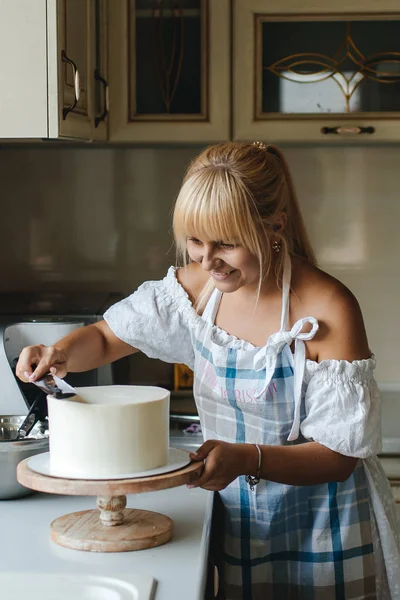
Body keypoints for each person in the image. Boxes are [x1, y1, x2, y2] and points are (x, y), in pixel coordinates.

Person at [17, 141, 400, 599]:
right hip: (234, 516)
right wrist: (59, 353)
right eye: (195, 241)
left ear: (275, 226)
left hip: (323, 526)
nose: (206, 259)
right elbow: (104, 337)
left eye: (227, 244)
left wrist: (247, 458)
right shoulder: (195, 291)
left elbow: (339, 458)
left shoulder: (327, 310)